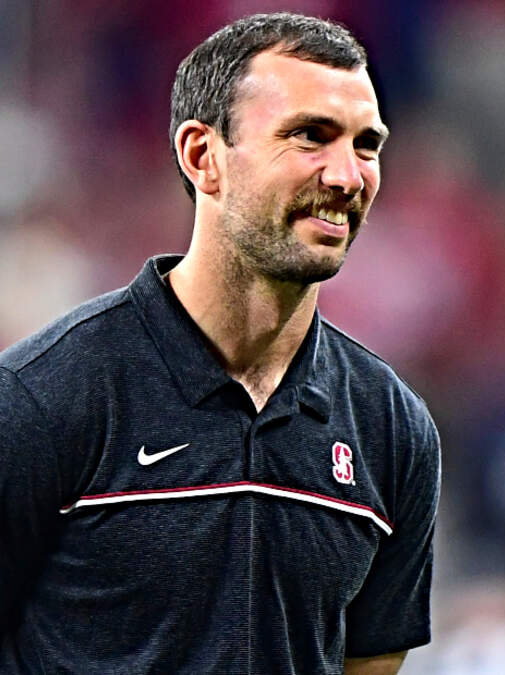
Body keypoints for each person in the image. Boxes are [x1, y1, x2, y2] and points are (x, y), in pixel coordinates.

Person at [0, 12, 440, 674]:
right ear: (203, 157)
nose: (348, 176)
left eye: (366, 145)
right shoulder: (43, 398)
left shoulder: (391, 427)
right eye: (310, 136)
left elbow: (370, 661)